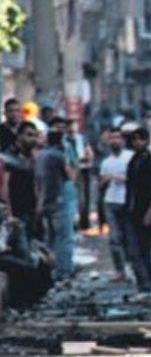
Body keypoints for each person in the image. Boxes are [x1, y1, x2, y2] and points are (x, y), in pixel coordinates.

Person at [124, 127, 151, 293]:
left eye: (139, 140)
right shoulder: (133, 161)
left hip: (148, 211)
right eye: (134, 140)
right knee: (135, 249)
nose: (136, 143)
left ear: (146, 141)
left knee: (143, 249)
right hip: (133, 210)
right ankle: (145, 283)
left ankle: (146, 284)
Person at [36, 120, 75, 281]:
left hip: (44, 201)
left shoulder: (41, 155)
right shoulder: (58, 155)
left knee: (50, 238)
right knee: (64, 238)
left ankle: (49, 273)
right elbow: (69, 176)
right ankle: (63, 272)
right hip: (58, 199)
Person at [99, 128, 133, 281]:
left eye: (117, 138)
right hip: (110, 201)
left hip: (127, 201)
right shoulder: (106, 162)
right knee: (114, 238)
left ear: (123, 140)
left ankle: (132, 268)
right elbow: (100, 185)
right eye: (112, 138)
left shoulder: (130, 158)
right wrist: (105, 180)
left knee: (129, 237)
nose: (115, 141)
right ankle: (119, 271)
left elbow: (138, 179)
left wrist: (123, 178)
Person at [1, 121, 41, 251]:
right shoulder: (8, 157)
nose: (33, 139)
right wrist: (9, 214)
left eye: (35, 135)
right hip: (17, 215)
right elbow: (4, 187)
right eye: (29, 135)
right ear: (19, 136)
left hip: (30, 213)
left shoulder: (30, 158)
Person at [69, 119, 95, 230]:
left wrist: (88, 161)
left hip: (83, 169)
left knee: (83, 197)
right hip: (71, 169)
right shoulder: (65, 139)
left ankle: (84, 222)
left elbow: (89, 152)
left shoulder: (81, 138)